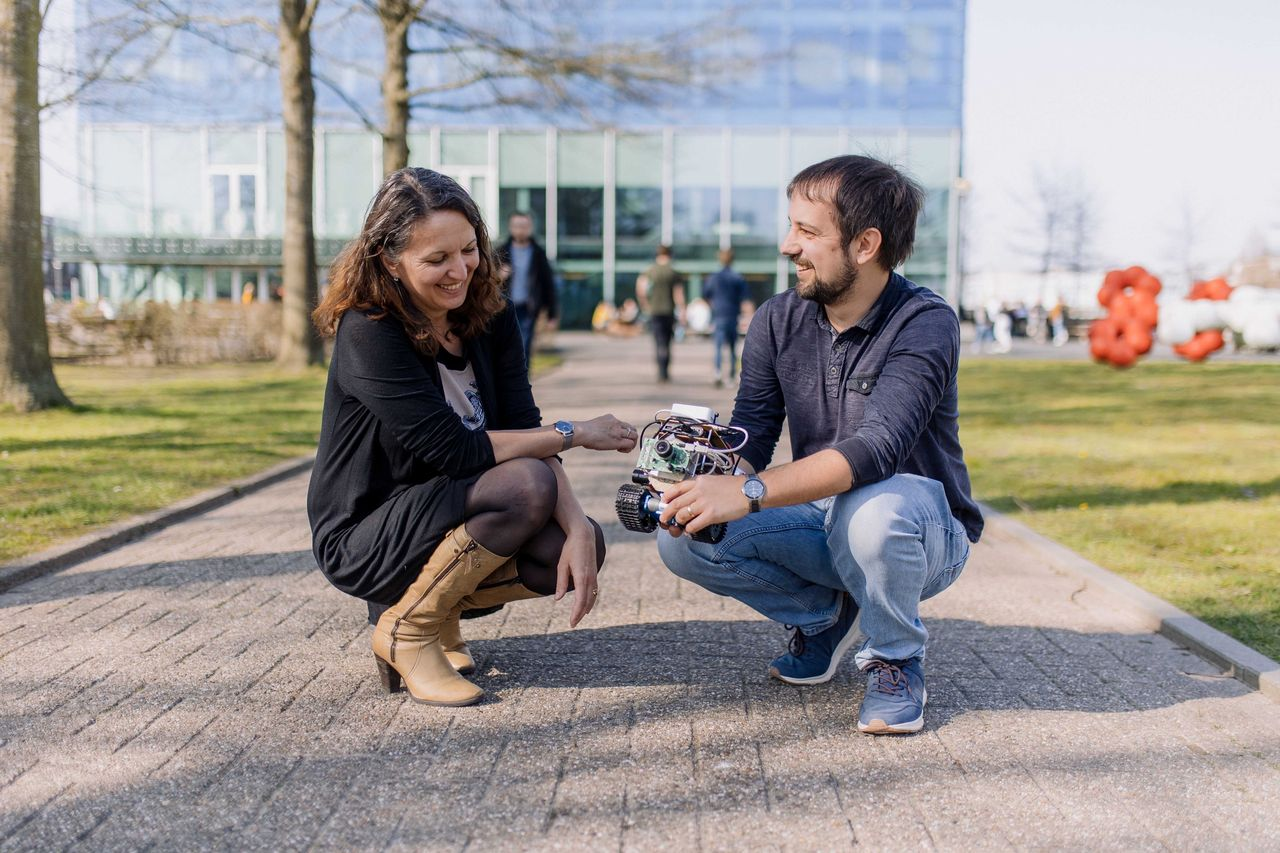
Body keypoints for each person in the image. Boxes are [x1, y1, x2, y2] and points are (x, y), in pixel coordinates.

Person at [655, 156, 982, 735]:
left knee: (873, 508)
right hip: (823, 518)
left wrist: (750, 492)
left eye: (807, 232)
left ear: (864, 245)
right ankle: (827, 615)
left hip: (919, 529)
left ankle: (896, 660)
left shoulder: (925, 322)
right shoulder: (777, 319)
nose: (787, 245)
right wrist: (704, 473)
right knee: (683, 536)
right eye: (790, 227)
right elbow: (754, 426)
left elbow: (877, 449)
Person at [308, 168, 638, 707]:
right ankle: (408, 630)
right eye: (436, 259)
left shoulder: (489, 316)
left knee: (574, 544)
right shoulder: (368, 329)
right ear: (391, 262)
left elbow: (525, 426)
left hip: (450, 506)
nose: (459, 270)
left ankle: (436, 617)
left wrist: (577, 523)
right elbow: (456, 452)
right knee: (526, 484)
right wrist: (576, 432)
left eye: (468, 250)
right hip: (367, 530)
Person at [497, 211, 558, 367]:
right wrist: (499, 276)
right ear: (511, 227)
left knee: (524, 345)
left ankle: (523, 382)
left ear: (530, 228)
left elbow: (547, 283)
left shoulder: (538, 253)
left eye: (524, 226)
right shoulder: (500, 252)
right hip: (504, 306)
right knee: (503, 345)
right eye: (517, 226)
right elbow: (485, 281)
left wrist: (552, 313)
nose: (520, 230)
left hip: (528, 307)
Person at [636, 244, 686, 382]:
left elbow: (641, 289)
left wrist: (646, 305)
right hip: (668, 311)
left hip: (654, 311)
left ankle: (660, 371)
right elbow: (678, 293)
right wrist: (682, 310)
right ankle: (665, 371)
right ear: (670, 255)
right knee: (668, 342)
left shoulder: (650, 271)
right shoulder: (673, 272)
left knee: (658, 342)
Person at [703, 248, 749, 387]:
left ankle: (717, 373)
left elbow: (706, 295)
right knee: (732, 347)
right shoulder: (737, 277)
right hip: (732, 315)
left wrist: (714, 306)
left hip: (718, 315)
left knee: (718, 347)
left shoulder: (713, 277)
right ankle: (731, 375)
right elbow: (744, 298)